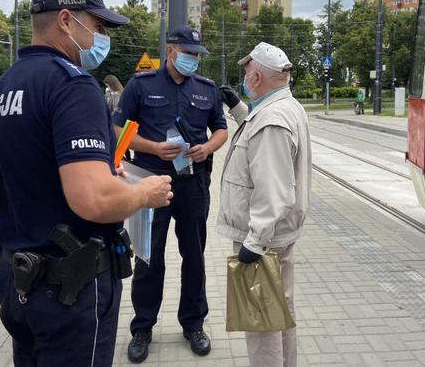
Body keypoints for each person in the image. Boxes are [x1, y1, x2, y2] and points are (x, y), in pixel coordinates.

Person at [0, 0, 174, 367]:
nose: (101, 37)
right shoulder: (73, 86)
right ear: (67, 20)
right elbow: (94, 199)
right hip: (70, 289)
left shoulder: (0, 91)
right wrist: (144, 193)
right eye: (98, 27)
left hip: (18, 280)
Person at [113, 25, 228, 363]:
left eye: (197, 55)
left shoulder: (207, 90)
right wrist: (151, 147)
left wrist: (207, 148)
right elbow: (118, 129)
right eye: (189, 53)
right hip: (148, 181)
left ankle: (194, 324)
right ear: (171, 51)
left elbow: (221, 128)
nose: (194, 60)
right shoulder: (141, 85)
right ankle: (142, 328)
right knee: (148, 257)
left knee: (194, 254)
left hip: (192, 183)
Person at [217, 42, 311, 367]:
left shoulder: (272, 120)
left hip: (261, 241)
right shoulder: (284, 107)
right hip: (276, 236)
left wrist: (254, 243)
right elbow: (259, 137)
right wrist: (238, 108)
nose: (244, 79)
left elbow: (272, 188)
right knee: (280, 311)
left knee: (262, 323)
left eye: (246, 74)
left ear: (256, 76)